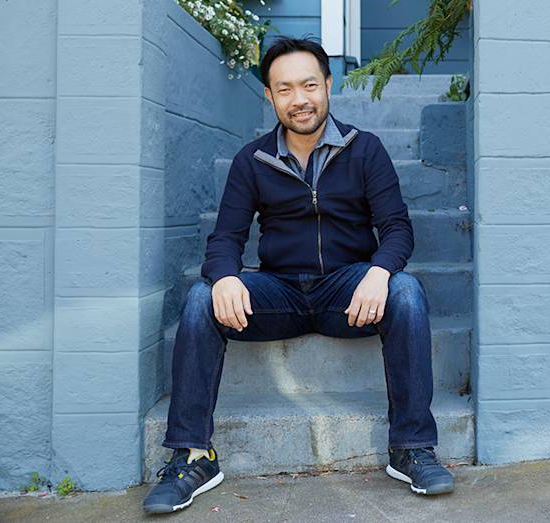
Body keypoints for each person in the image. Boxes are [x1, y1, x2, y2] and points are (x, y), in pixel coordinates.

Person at [142, 36, 454, 514]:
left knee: (406, 291)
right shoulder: (253, 160)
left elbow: (396, 229)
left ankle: (411, 447)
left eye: (309, 85)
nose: (299, 99)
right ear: (269, 96)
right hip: (280, 294)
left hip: (347, 294)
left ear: (328, 86)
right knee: (203, 298)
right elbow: (224, 238)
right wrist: (224, 277)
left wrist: (378, 272)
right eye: (284, 89)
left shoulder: (364, 150)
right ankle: (192, 456)